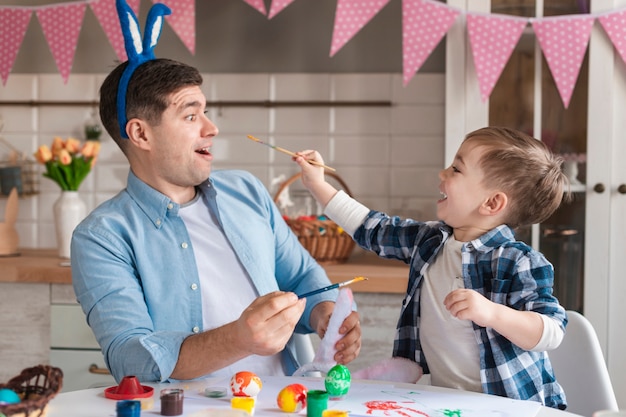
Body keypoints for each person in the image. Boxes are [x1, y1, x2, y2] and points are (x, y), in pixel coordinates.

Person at [70, 55, 362, 383]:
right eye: (191, 115)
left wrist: (324, 311)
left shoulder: (246, 191)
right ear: (141, 134)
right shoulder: (101, 236)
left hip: (285, 402)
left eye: (204, 112)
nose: (211, 128)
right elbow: (130, 356)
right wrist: (238, 339)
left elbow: (301, 276)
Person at [293, 126, 570, 409]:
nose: (443, 173)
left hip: (510, 405)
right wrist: (316, 183)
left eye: (456, 169)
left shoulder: (518, 261)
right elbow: (370, 227)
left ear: (492, 203)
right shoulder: (429, 240)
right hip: (445, 402)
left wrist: (492, 313)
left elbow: (551, 332)